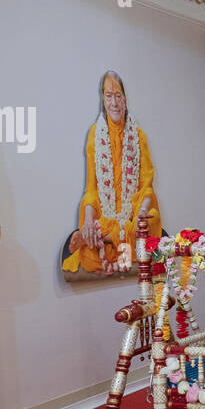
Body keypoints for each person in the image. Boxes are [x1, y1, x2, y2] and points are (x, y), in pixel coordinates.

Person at [62, 71, 161, 276]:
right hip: (106, 212)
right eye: (109, 96)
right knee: (89, 217)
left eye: (118, 96)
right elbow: (91, 188)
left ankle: (103, 239)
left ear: (125, 99)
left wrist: (141, 213)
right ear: (103, 100)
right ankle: (96, 234)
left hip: (132, 212)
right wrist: (89, 220)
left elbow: (147, 186)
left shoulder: (138, 135)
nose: (114, 102)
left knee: (149, 220)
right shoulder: (94, 134)